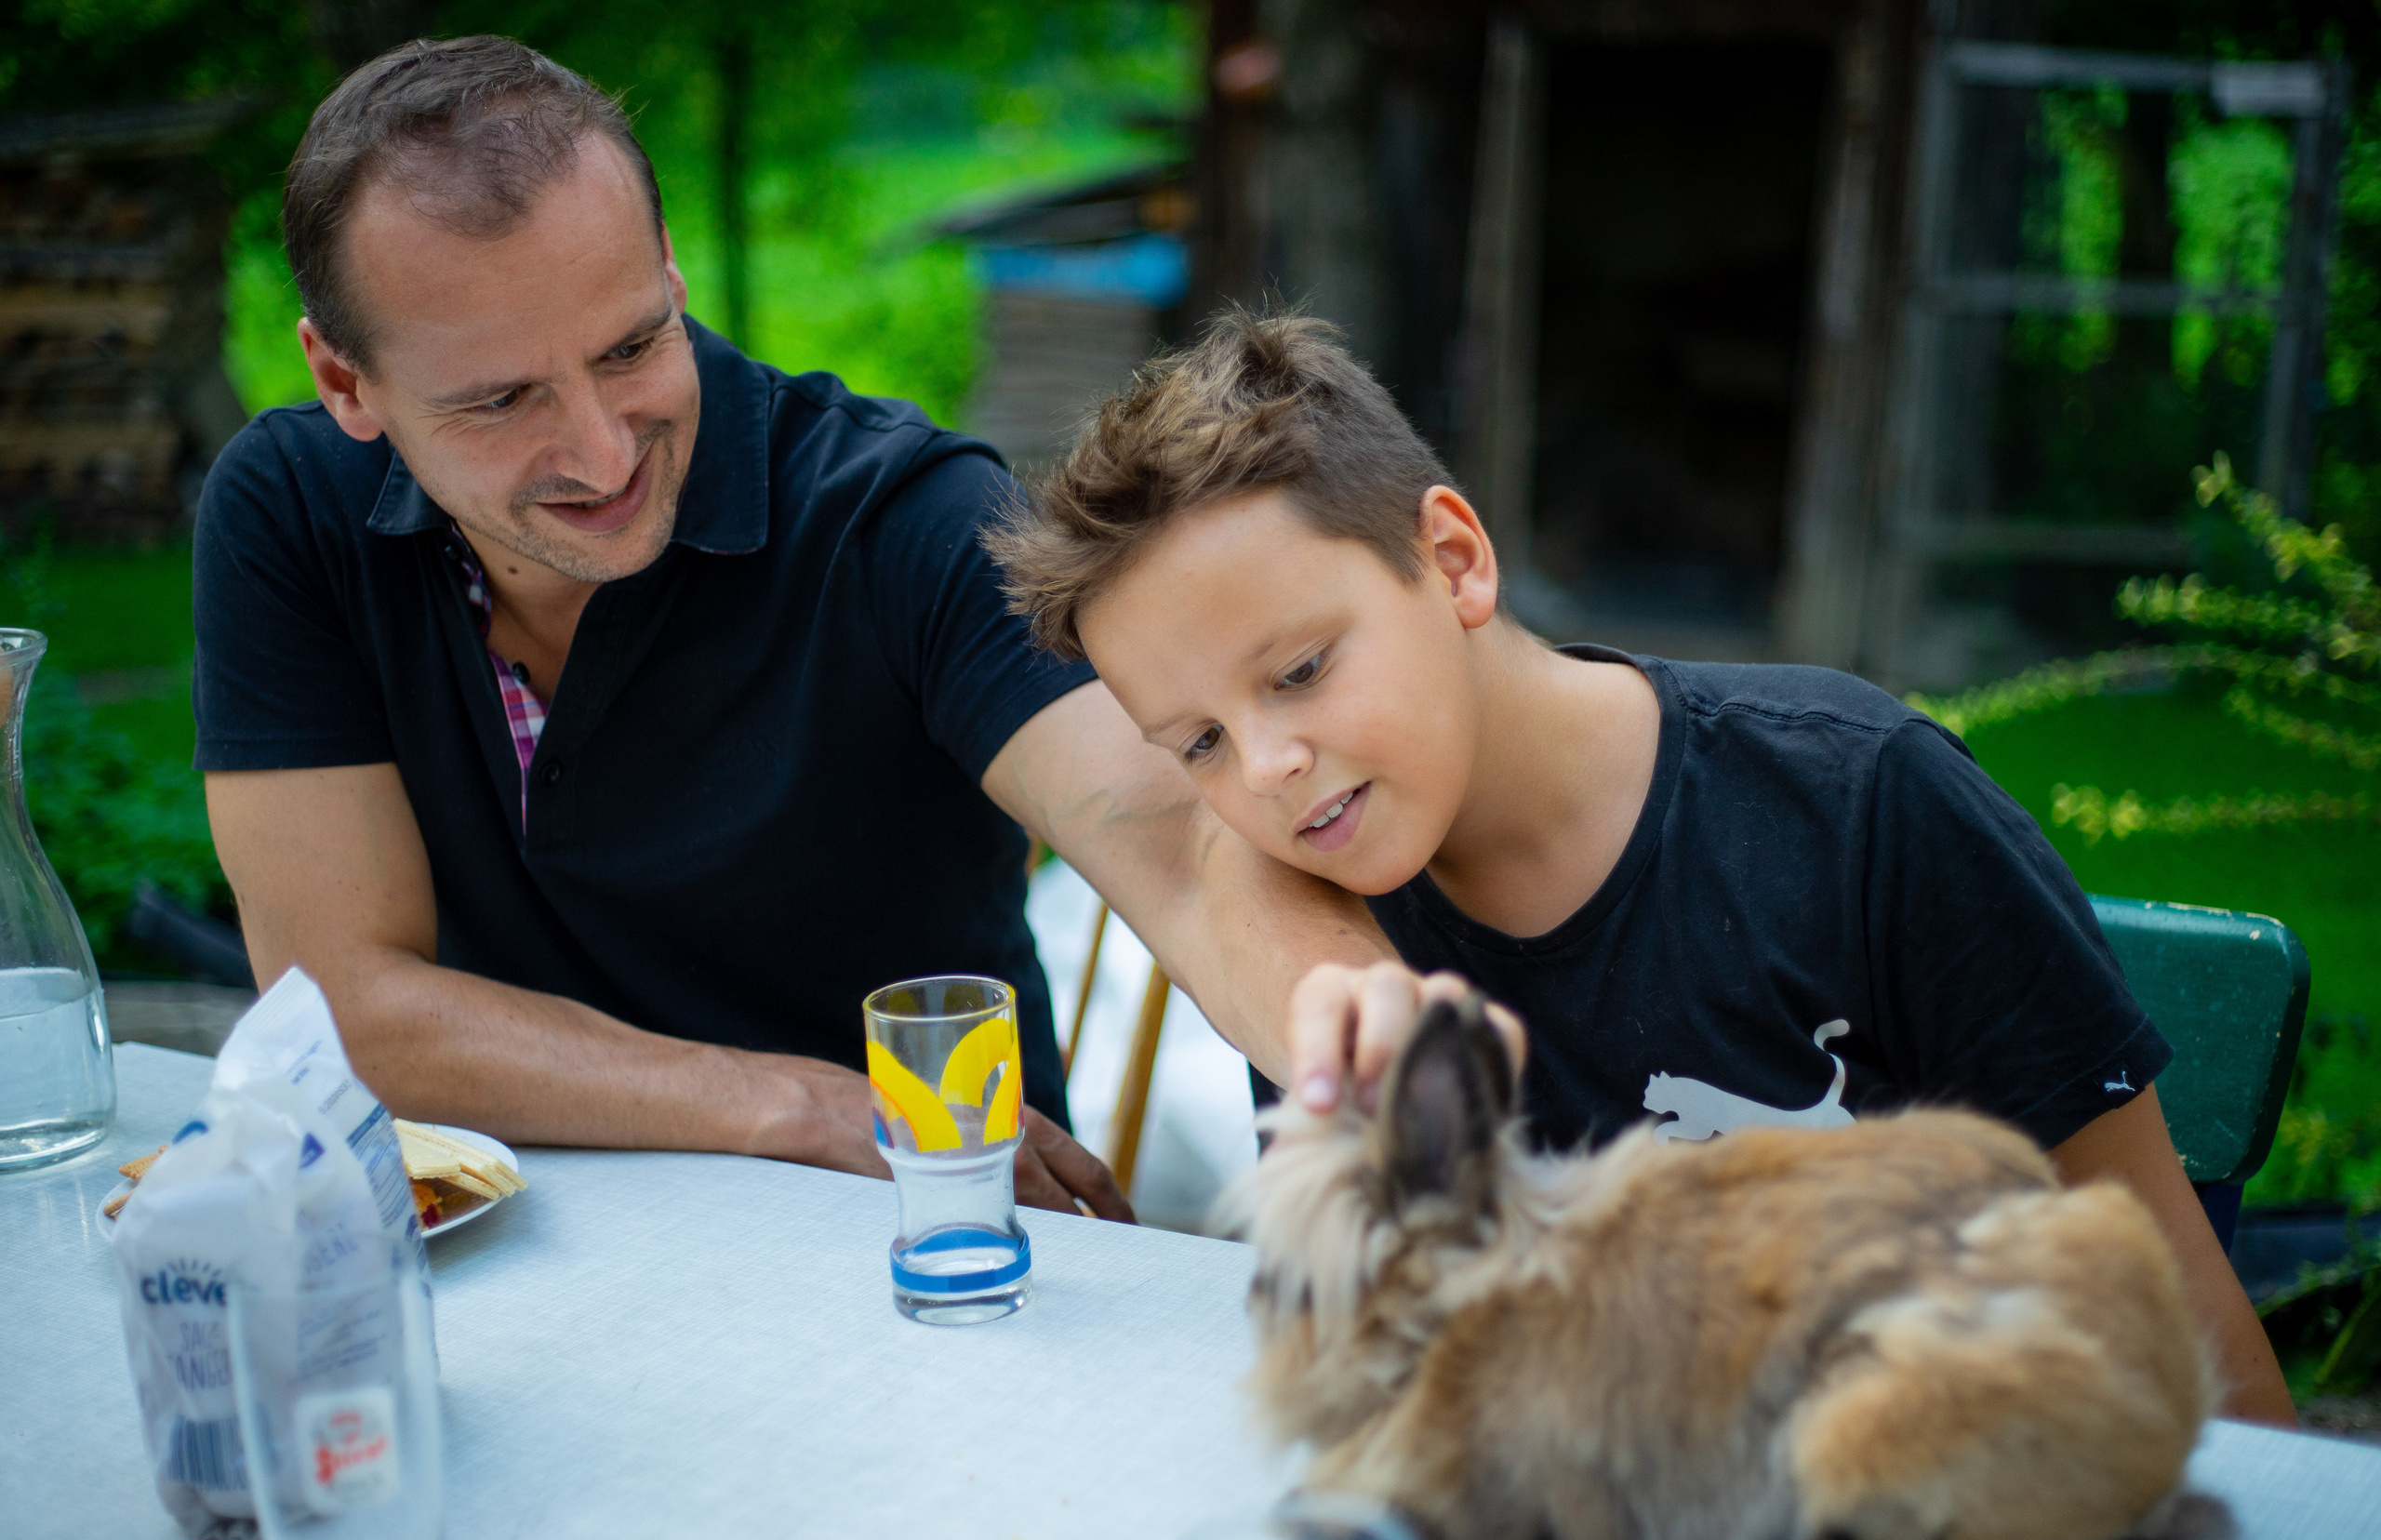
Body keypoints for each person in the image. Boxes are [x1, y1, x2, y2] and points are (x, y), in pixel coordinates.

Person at [982, 309, 2297, 1423]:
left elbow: (2172, 1298)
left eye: (1303, 669)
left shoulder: (1861, 804)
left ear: (1454, 558)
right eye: (1198, 739)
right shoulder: (1321, 935)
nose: (1265, 765)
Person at [194, 38, 1389, 1222]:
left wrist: (1398, 1064)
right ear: (345, 384)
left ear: (667, 267)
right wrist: (790, 1105)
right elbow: (341, 1004)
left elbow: (1187, 851)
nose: (604, 453)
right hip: (521, 1252)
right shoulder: (289, 515)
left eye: (631, 346)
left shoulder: (906, 520)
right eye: (502, 400)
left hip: (934, 1244)